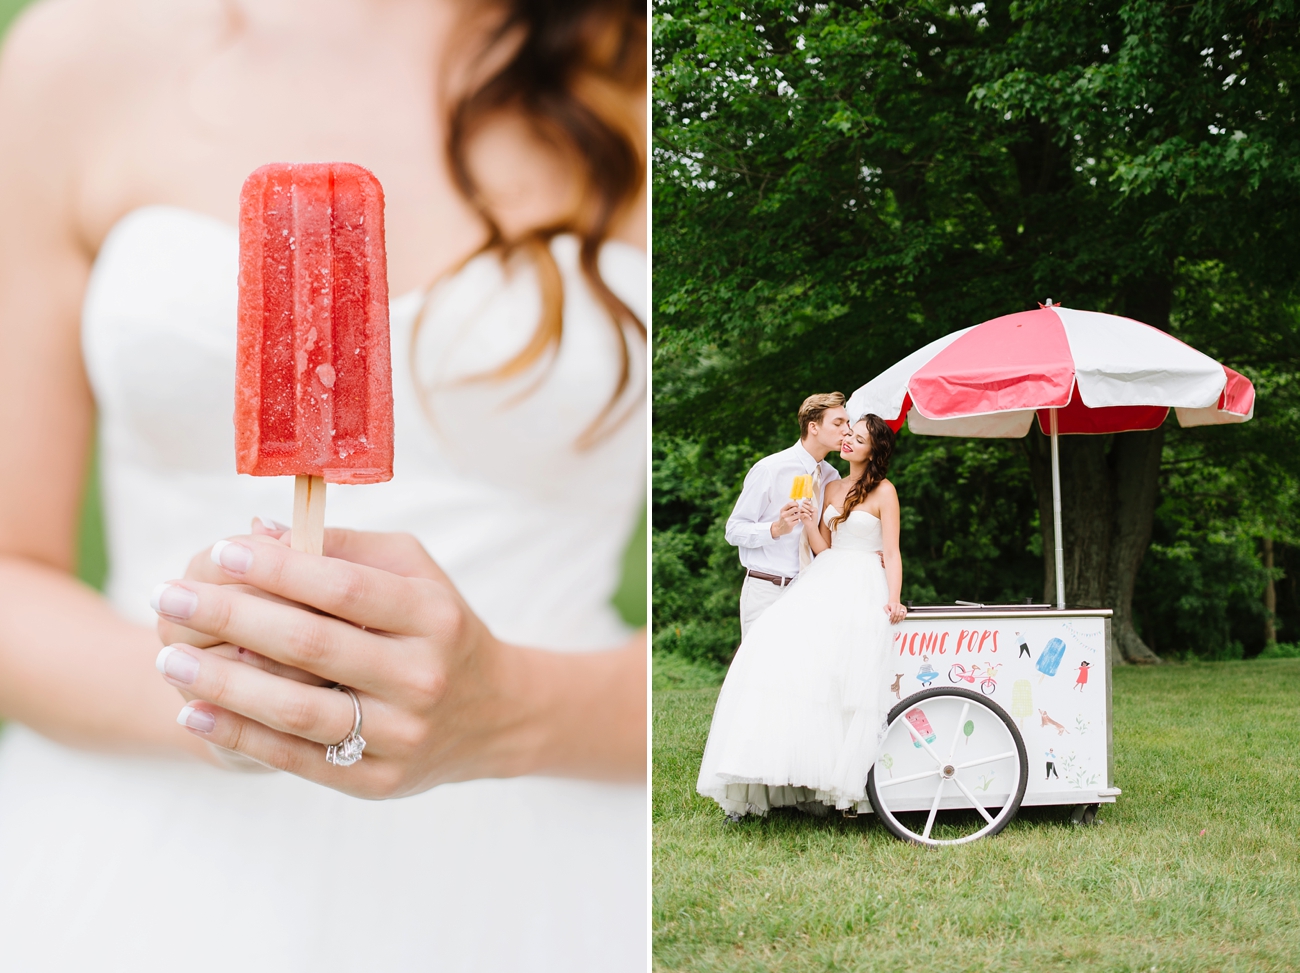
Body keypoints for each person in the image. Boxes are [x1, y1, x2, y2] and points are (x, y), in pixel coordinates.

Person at [0, 1, 646, 970]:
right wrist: (225, 705)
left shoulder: (641, 49)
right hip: (141, 852)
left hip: (550, 846)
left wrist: (509, 704)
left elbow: (730, 640)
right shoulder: (77, 45)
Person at [698, 414, 907, 819]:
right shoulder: (828, 485)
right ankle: (785, 774)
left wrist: (894, 598)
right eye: (847, 433)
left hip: (864, 581)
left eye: (857, 437)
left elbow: (893, 551)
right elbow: (824, 549)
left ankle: (841, 785)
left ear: (873, 450)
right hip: (826, 576)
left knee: (849, 676)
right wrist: (809, 520)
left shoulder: (885, 491)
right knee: (792, 658)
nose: (847, 440)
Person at [724, 392, 849, 638]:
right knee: (759, 672)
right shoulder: (770, 469)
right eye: (838, 423)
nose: (847, 430)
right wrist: (775, 529)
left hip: (808, 591)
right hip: (767, 590)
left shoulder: (831, 477)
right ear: (813, 427)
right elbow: (733, 530)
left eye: (847, 423)